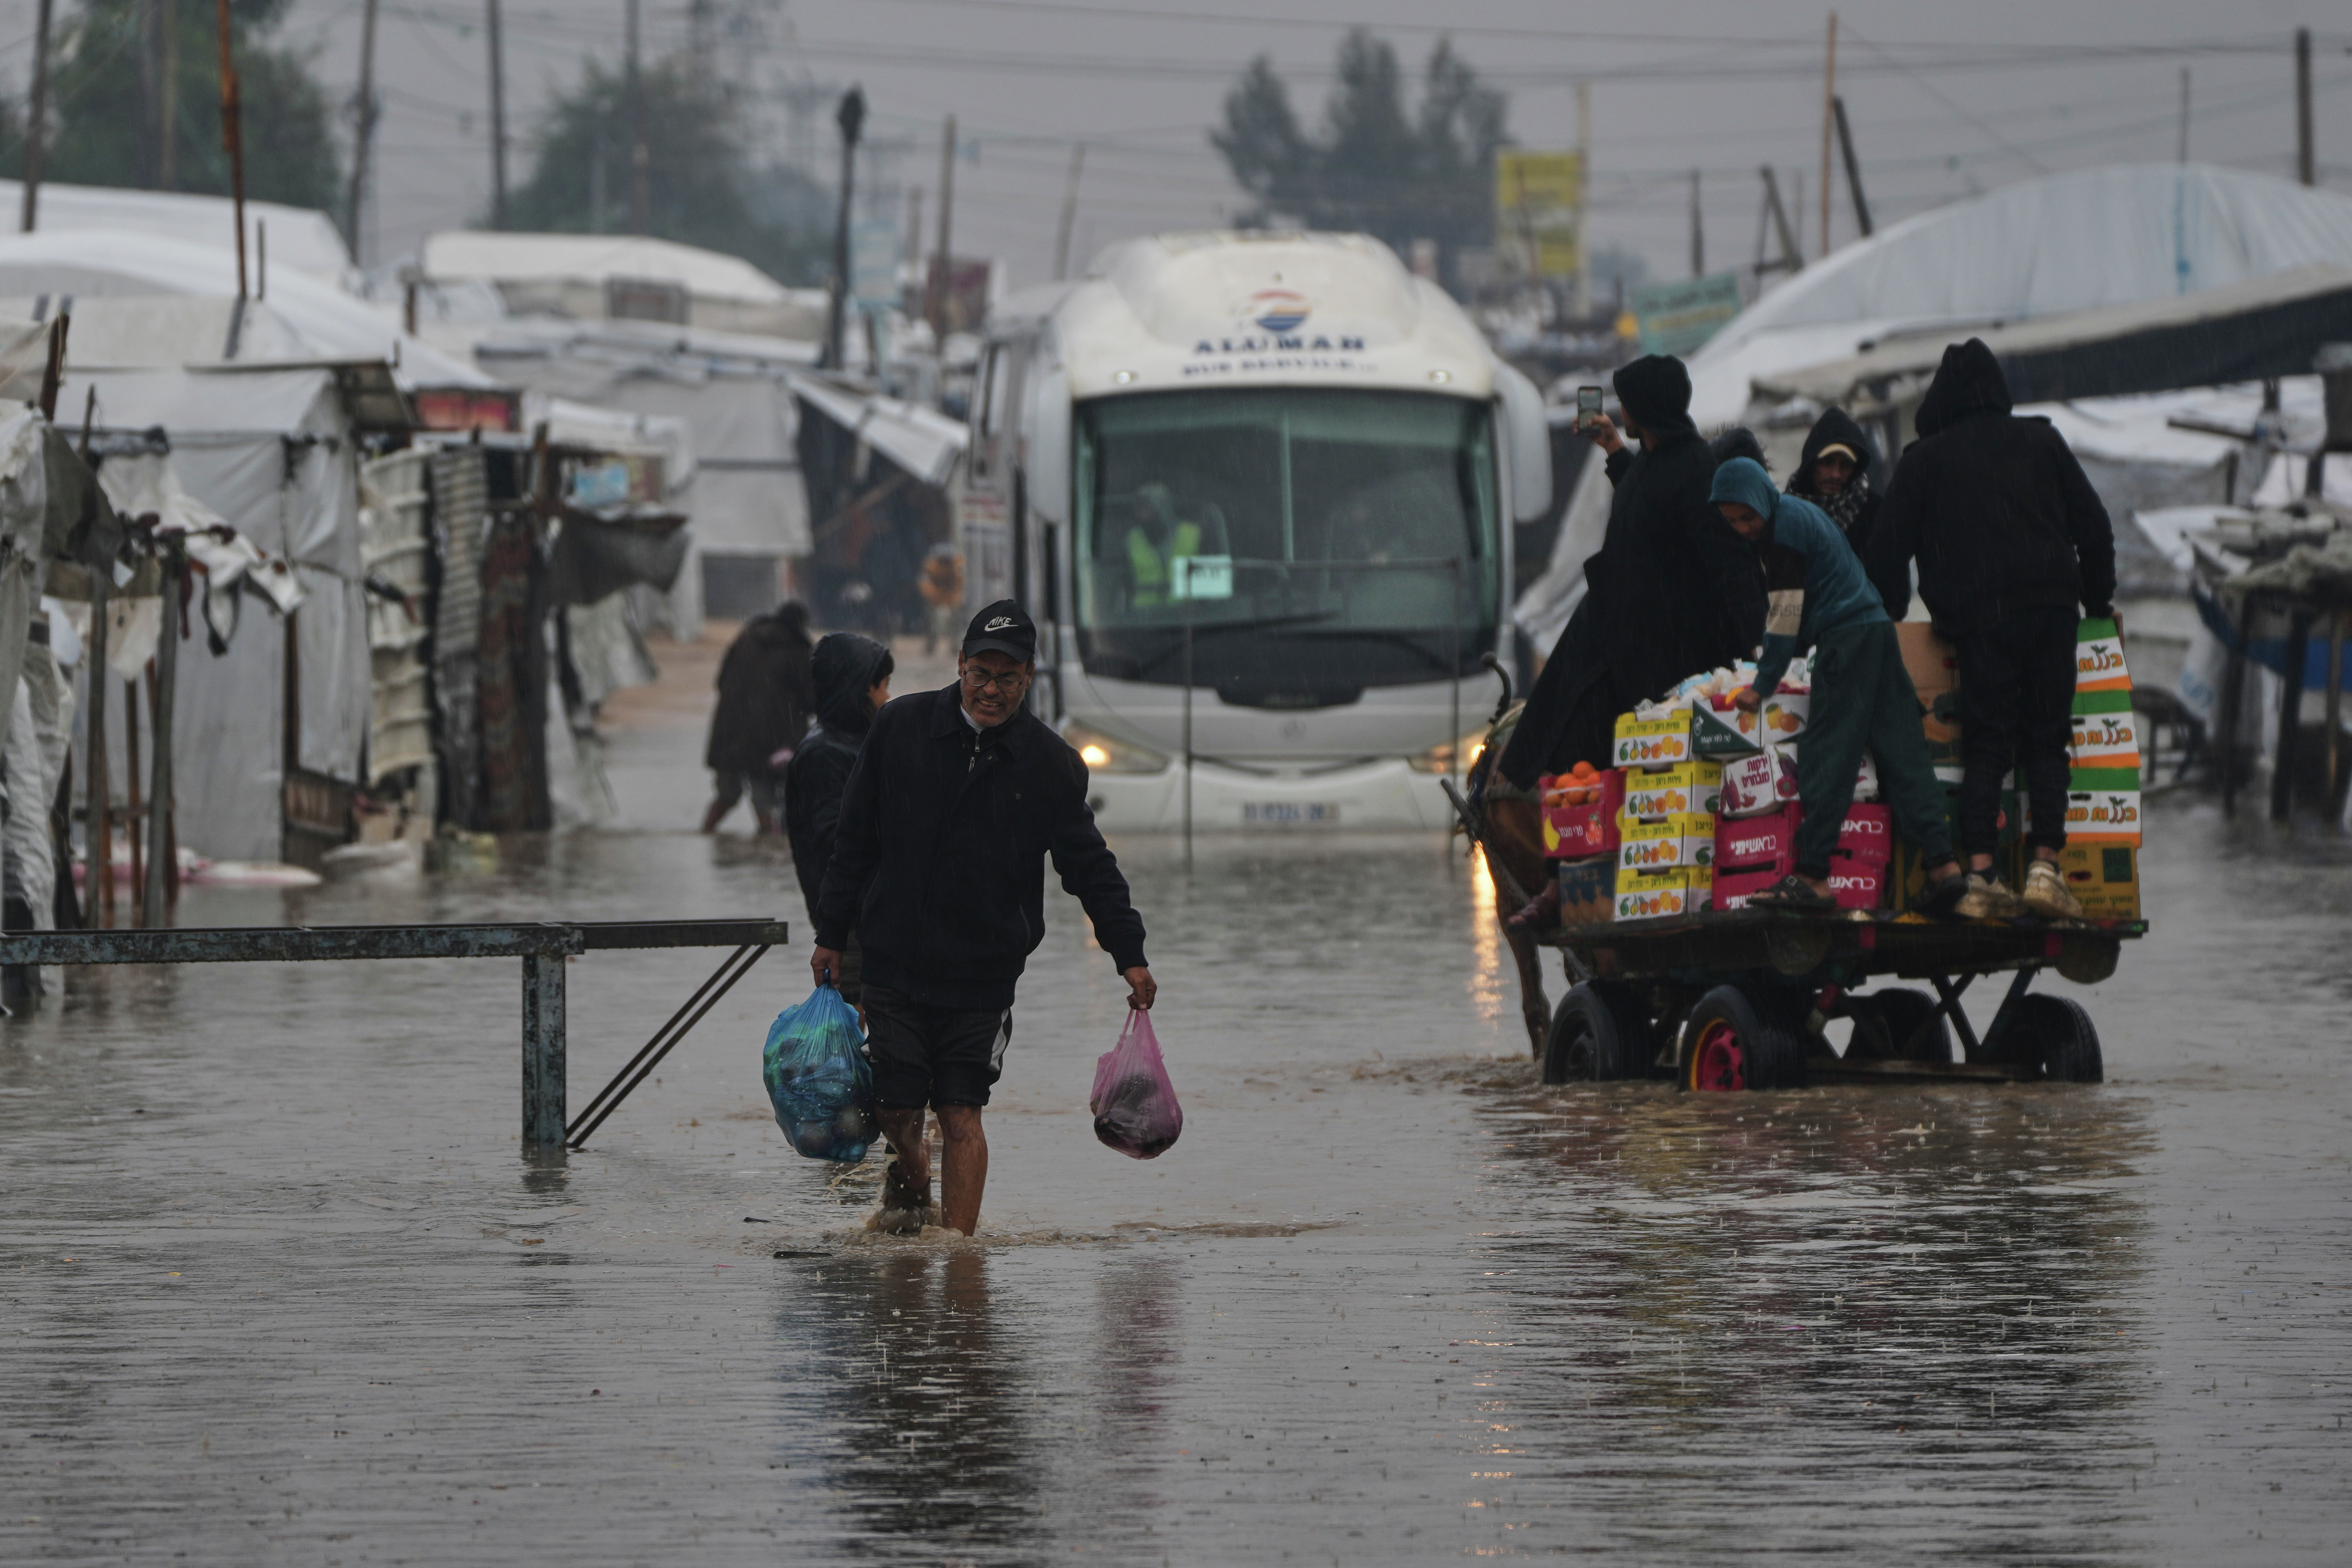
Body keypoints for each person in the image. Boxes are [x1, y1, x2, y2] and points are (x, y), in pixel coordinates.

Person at [811, 599, 1155, 1237]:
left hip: (983, 975)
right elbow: (853, 841)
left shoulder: (1051, 764)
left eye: (1009, 679)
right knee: (897, 1111)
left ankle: (958, 1260)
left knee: (962, 1113)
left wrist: (1128, 952)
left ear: (1028, 680)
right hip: (895, 961)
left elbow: (1089, 867)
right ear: (960, 664)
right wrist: (831, 936)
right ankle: (911, 1177)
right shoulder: (901, 729)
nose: (992, 691)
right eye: (982, 674)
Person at [1867, 339, 2116, 919]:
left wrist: (1894, 613)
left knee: (1988, 741)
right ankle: (2045, 868)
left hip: (1982, 617)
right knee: (2048, 739)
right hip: (2054, 606)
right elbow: (2094, 525)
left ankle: (1980, 873)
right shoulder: (2042, 439)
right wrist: (2096, 597)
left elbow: (1884, 553)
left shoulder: (1925, 459)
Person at [1709, 457, 1968, 915]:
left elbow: (1784, 617)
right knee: (1902, 748)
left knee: (1828, 750)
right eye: (1733, 521)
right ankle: (1943, 864)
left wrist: (1763, 684)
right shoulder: (1794, 512)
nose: (1744, 528)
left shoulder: (1782, 531)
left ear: (1760, 501)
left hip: (1847, 637)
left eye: (1748, 516)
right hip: (1876, 628)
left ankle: (1811, 874)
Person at [1497, 354, 1765, 790]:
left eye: (1627, 405)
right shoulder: (1658, 460)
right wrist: (1612, 447)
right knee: (1560, 711)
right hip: (1620, 632)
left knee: (1588, 734)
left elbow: (1732, 565)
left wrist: (1760, 650)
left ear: (1647, 408)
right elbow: (1648, 500)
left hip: (1664, 651)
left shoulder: (1697, 469)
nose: (1622, 413)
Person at [783, 632, 894, 1003]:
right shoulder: (825, 754)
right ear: (860, 690)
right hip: (852, 922)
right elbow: (836, 841)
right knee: (859, 1025)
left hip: (871, 917)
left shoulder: (857, 744)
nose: (887, 698)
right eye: (883, 687)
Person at [702, 601, 815, 834]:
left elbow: (721, 681)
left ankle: (705, 833)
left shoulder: (746, 639)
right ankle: (768, 855)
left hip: (729, 731)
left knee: (727, 793)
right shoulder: (798, 650)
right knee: (764, 798)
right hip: (769, 737)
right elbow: (811, 699)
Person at [1786, 408, 1883, 559]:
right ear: (1812, 464)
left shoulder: (1875, 513)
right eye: (1827, 462)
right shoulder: (1787, 514)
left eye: (1845, 465)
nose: (1836, 474)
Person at [1125, 483, 1201, 608]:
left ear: (1162, 508)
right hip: (1144, 618)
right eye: (1139, 510)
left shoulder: (1193, 534)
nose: (1142, 515)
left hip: (1188, 616)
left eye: (1147, 509)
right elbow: (1124, 584)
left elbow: (1213, 581)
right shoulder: (1132, 539)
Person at [917, 541, 966, 655]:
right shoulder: (931, 565)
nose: (945, 562)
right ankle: (931, 642)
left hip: (950, 593)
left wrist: (955, 598)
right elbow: (925, 583)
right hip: (936, 593)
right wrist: (932, 596)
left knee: (956, 618)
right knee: (930, 618)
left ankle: (955, 644)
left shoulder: (958, 564)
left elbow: (959, 583)